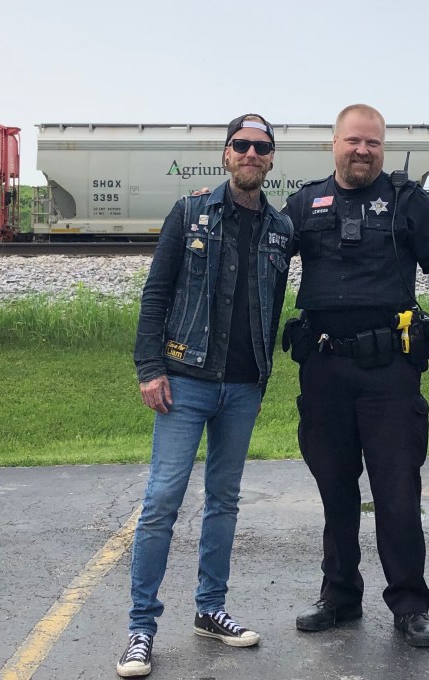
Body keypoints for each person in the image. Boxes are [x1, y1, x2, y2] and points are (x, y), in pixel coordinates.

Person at [283, 103, 429, 648]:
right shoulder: (304, 203)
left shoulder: (407, 201)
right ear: (334, 144)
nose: (363, 151)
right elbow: (263, 249)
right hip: (323, 368)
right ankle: (340, 596)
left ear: (382, 148)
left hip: (389, 369)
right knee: (335, 488)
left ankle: (410, 605)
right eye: (354, 141)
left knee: (397, 492)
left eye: (373, 143)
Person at [118, 114, 294, 678]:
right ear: (226, 154)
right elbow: (156, 293)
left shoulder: (280, 229)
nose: (250, 154)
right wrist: (150, 368)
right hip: (185, 380)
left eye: (261, 147)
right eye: (241, 145)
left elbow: (272, 307)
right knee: (162, 500)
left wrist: (263, 377)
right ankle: (141, 628)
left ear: (271, 159)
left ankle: (210, 609)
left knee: (224, 500)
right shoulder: (190, 212)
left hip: (242, 387)